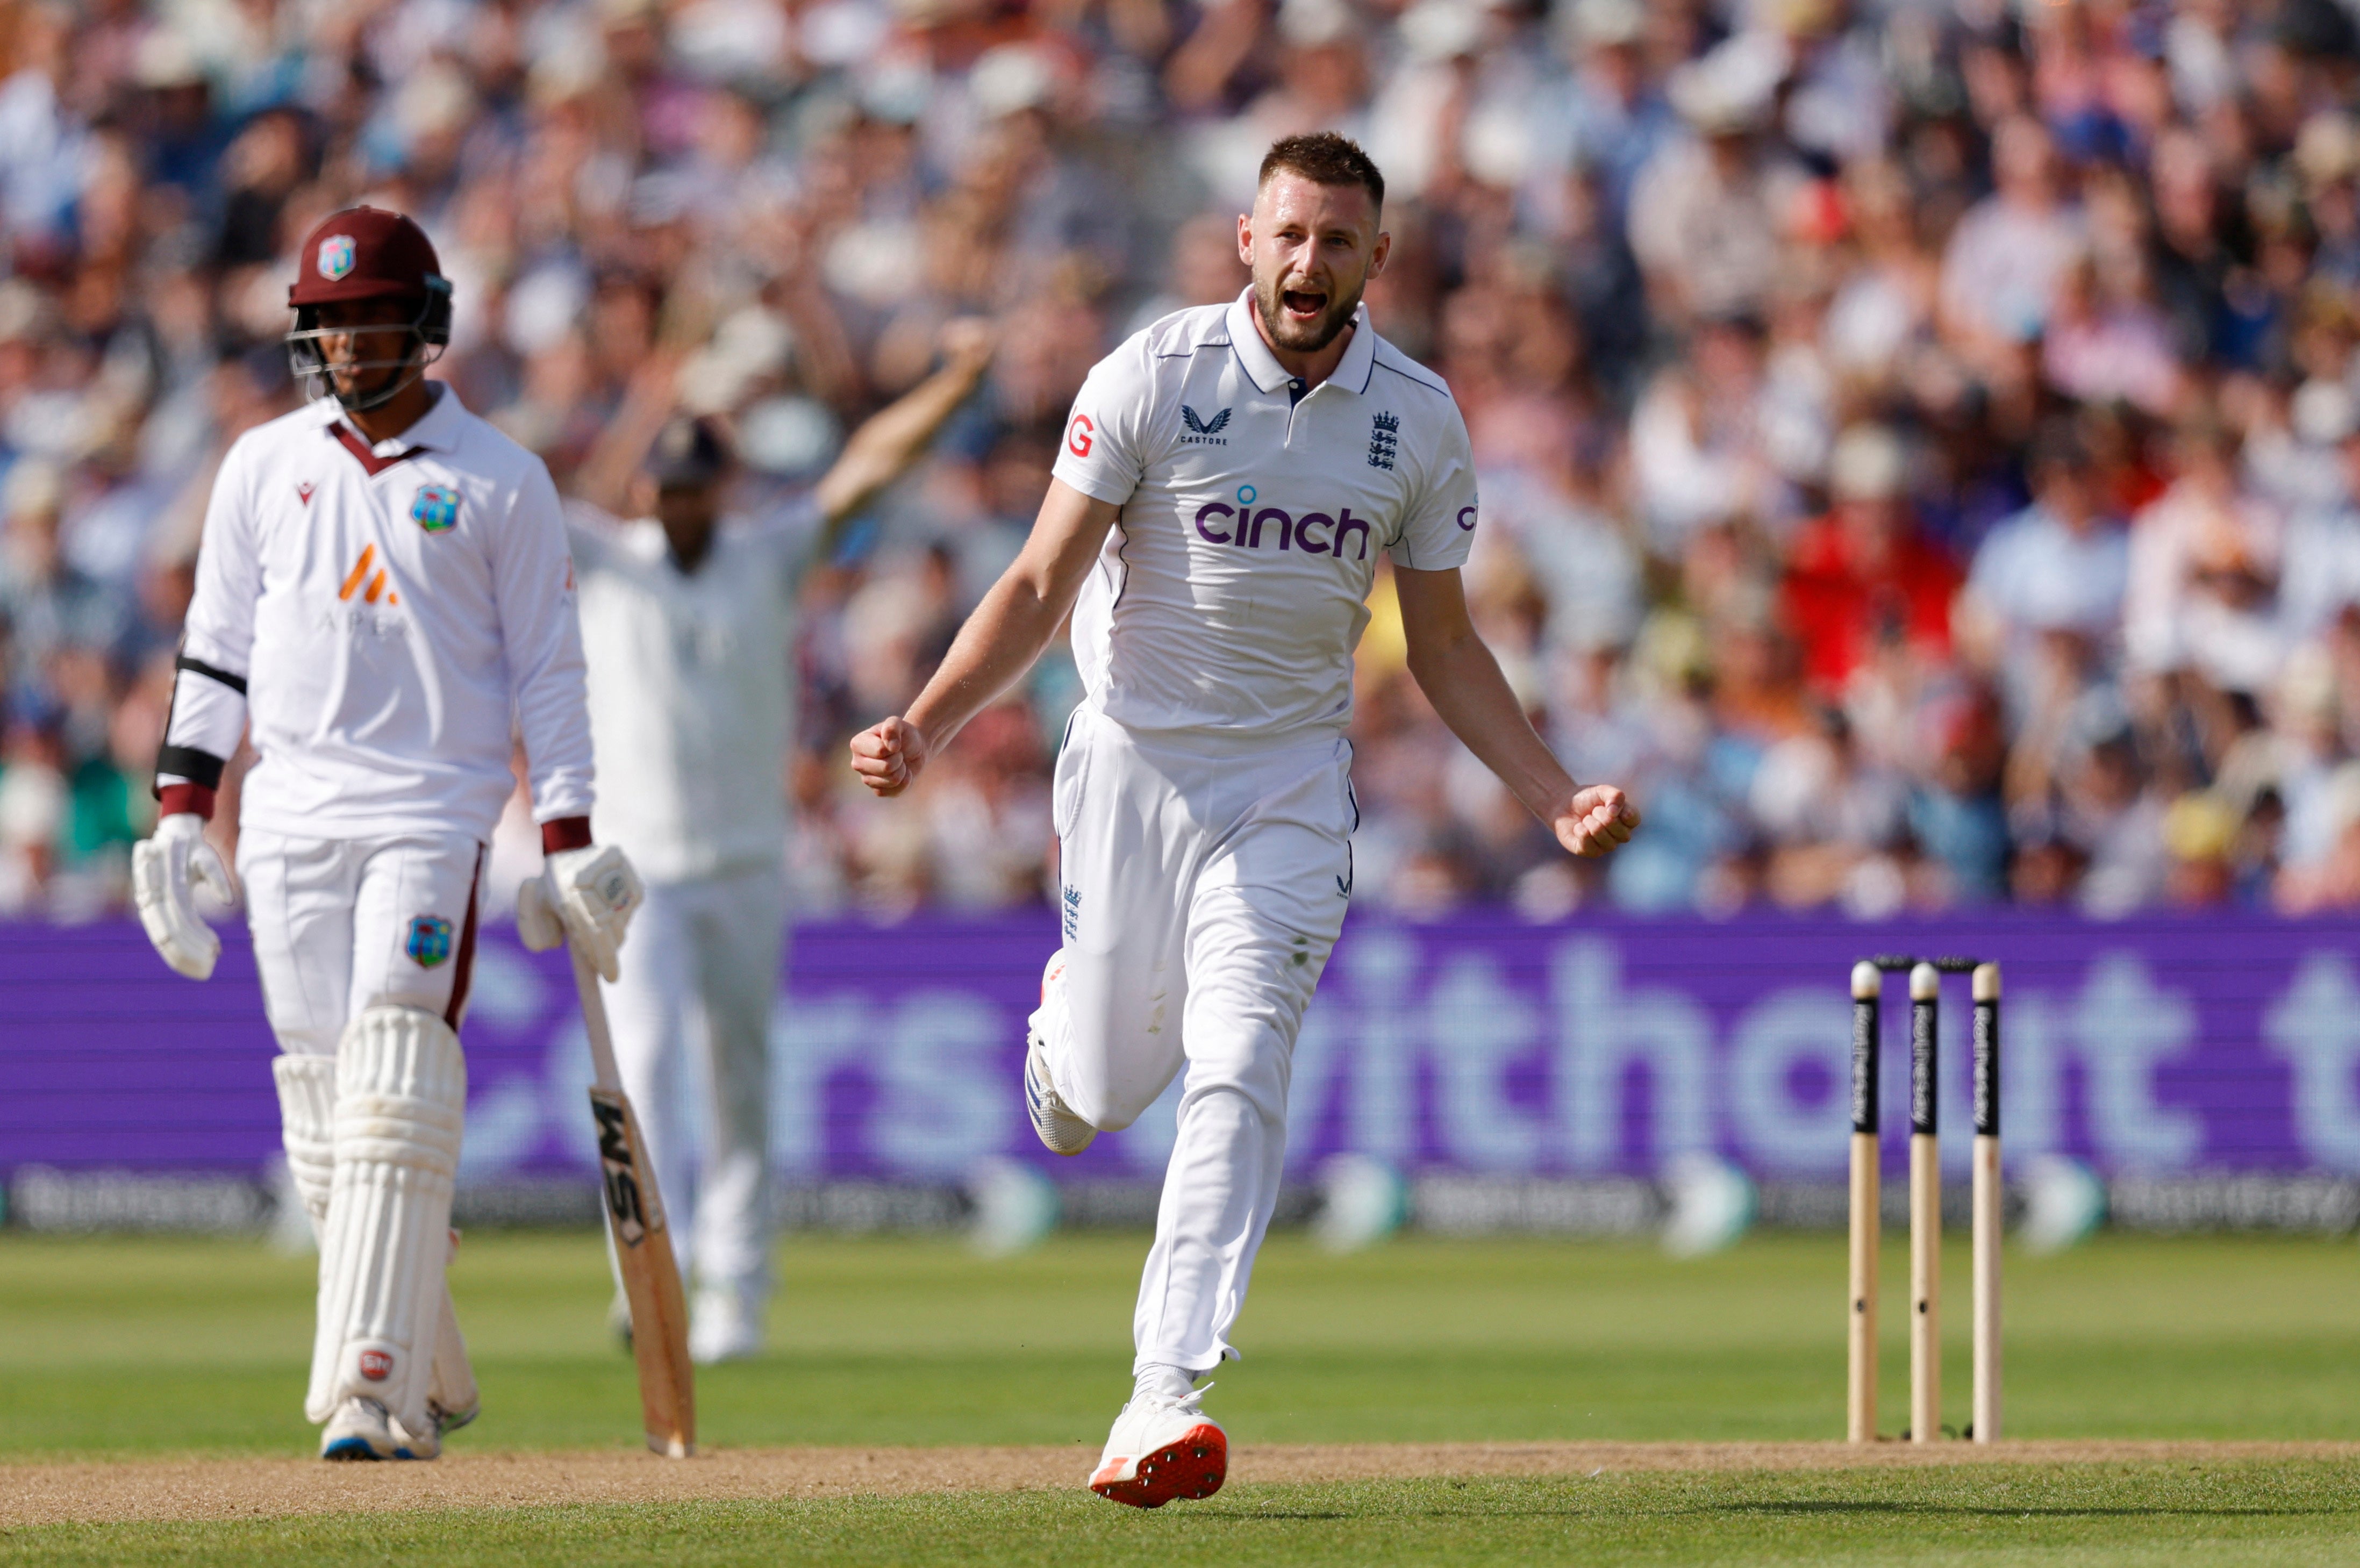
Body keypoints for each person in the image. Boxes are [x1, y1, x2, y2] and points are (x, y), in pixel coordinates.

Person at [848, 133, 1640, 1508]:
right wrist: (925, 722)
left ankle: (1162, 1399)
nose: (1307, 262)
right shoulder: (1152, 375)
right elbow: (1040, 583)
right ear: (1244, 240)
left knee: (1238, 1059)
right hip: (1132, 768)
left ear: (1375, 261)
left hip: (1284, 788)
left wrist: (1550, 794)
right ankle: (1063, 1043)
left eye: (1337, 241)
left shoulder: (1418, 417)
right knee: (1093, 1097)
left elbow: (1443, 648)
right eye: (1287, 234)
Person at [130, 207, 640, 1460]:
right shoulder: (261, 463)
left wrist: (567, 835)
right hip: (289, 815)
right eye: (331, 320)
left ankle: (369, 1391)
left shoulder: (502, 479)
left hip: (430, 811)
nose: (351, 342)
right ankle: (438, 1358)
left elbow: (552, 677)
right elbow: (218, 647)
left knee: (395, 1071)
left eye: (372, 317)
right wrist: (181, 805)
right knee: (325, 1106)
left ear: (426, 323)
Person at [568, 323, 995, 1363]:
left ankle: (737, 1295)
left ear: (723, 491)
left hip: (748, 862)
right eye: (661, 494)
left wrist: (956, 378)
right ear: (642, 495)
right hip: (640, 869)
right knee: (650, 1068)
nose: (677, 511)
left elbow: (869, 465)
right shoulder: (609, 562)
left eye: (693, 493)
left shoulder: (765, 554)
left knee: (740, 1080)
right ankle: (652, 1271)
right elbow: (525, 495)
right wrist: (655, 388)